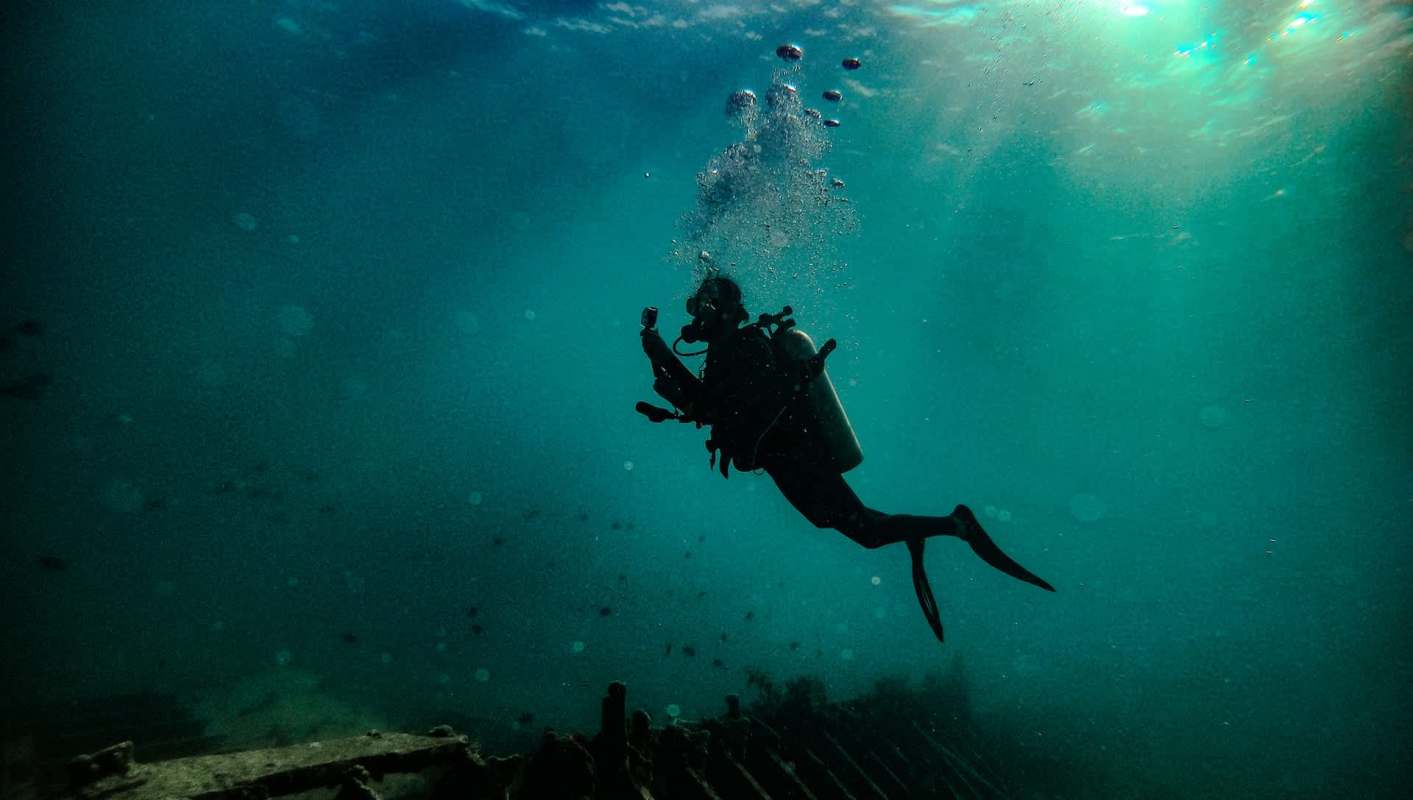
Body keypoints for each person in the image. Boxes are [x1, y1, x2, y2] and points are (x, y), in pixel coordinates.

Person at [638, 275, 1054, 643]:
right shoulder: (726, 353)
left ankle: (956, 524)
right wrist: (660, 358)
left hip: (795, 453)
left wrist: (661, 354)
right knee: (849, 523)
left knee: (865, 531)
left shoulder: (744, 347)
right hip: (786, 458)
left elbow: (712, 407)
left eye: (704, 307)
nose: (697, 317)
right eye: (696, 307)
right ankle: (918, 531)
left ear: (727, 312)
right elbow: (705, 406)